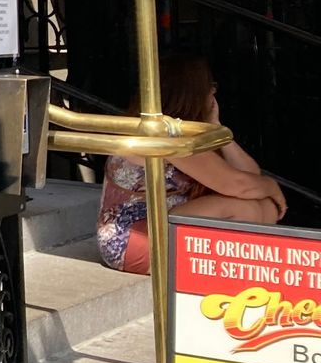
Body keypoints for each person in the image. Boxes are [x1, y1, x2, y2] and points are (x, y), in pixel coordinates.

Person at [96, 53, 287, 274]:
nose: (213, 92)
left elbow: (249, 175)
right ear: (191, 93)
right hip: (133, 239)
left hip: (161, 225)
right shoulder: (163, 135)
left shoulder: (181, 130)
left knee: (263, 206)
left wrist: (216, 127)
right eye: (209, 86)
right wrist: (273, 186)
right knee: (243, 208)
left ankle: (242, 274)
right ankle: (233, 275)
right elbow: (238, 185)